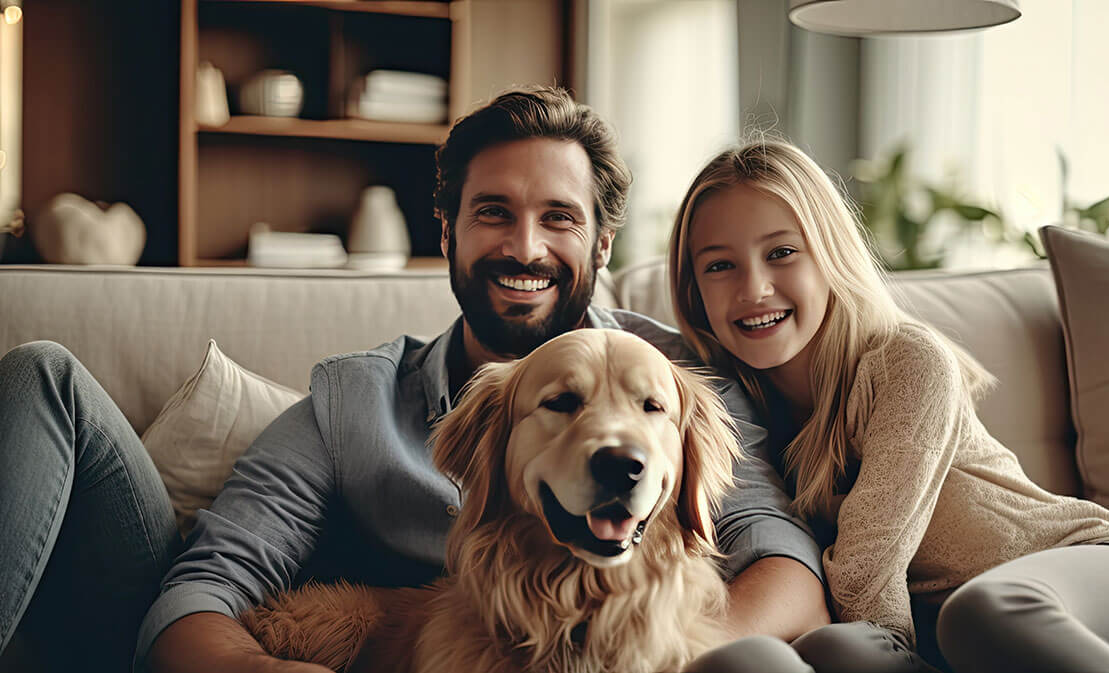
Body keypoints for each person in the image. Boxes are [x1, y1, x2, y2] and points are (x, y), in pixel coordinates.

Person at [0, 88, 829, 673]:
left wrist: (667, 652)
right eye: (493, 212)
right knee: (40, 371)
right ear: (447, 231)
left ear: (604, 244)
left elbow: (787, 562)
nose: (526, 248)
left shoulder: (676, 383)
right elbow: (206, 586)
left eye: (560, 218)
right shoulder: (352, 401)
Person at [666, 140, 1109, 673]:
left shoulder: (906, 359)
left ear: (830, 253)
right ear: (693, 291)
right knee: (825, 648)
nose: (754, 287)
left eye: (781, 252)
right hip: (962, 646)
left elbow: (864, 575)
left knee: (984, 610)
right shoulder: (727, 416)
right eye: (719, 266)